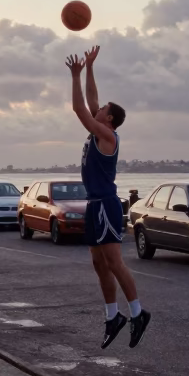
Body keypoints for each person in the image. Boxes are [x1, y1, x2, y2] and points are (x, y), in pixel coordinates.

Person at [65, 46, 151, 349]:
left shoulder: (107, 136)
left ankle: (138, 313)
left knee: (114, 262)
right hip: (94, 205)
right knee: (99, 265)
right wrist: (89, 67)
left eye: (101, 111)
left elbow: (79, 109)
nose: (96, 109)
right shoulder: (100, 130)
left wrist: (74, 75)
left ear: (109, 118)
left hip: (106, 206)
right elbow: (90, 103)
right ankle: (113, 316)